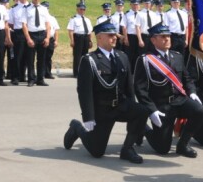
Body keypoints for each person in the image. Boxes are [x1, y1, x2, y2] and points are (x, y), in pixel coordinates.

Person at [63, 21, 149, 164]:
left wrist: (133, 111)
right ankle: (77, 128)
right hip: (102, 110)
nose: (114, 37)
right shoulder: (90, 60)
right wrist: (88, 117)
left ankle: (127, 149)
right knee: (97, 152)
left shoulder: (122, 57)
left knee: (142, 111)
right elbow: (85, 91)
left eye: (114, 34)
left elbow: (129, 87)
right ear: (99, 38)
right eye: (110, 35)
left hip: (120, 105)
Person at [133, 23, 203, 158]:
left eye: (168, 36)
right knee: (162, 148)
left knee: (199, 110)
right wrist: (152, 110)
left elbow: (187, 78)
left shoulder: (177, 56)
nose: (167, 39)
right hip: (162, 105)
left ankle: (183, 144)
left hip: (179, 101)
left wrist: (192, 92)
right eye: (163, 36)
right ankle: (143, 128)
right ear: (153, 40)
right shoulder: (145, 60)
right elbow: (140, 88)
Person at [22, 0, 51, 87]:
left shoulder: (44, 9)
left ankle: (40, 79)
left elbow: (48, 24)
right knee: (30, 59)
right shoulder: (26, 9)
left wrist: (47, 38)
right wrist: (28, 38)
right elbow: (24, 25)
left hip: (42, 34)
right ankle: (31, 79)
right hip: (32, 35)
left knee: (41, 59)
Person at [8, 0, 30, 85]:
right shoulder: (14, 8)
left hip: (31, 32)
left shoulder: (32, 7)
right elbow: (11, 23)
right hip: (18, 33)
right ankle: (15, 77)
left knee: (28, 56)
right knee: (17, 56)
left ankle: (24, 76)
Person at [67, 2, 92, 77]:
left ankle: (84, 71)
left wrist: (90, 40)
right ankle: (76, 73)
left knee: (85, 55)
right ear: (77, 9)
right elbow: (70, 30)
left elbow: (89, 31)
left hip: (86, 37)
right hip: (78, 37)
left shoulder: (87, 19)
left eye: (84, 9)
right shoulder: (73, 19)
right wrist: (72, 40)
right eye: (81, 9)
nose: (82, 11)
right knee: (77, 56)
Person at [41, 1, 59, 79]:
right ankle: (41, 73)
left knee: (48, 57)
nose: (46, 9)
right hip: (42, 38)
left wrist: (56, 40)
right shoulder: (40, 17)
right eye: (45, 7)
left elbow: (56, 30)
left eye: (47, 7)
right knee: (41, 57)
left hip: (51, 39)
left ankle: (48, 73)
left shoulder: (52, 18)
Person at [124, 0, 141, 69]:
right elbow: (124, 27)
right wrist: (126, 38)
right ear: (130, 5)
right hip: (131, 37)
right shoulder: (127, 14)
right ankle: (129, 71)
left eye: (137, 4)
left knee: (139, 54)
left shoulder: (142, 14)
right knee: (130, 55)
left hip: (140, 37)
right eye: (134, 5)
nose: (135, 6)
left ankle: (138, 70)